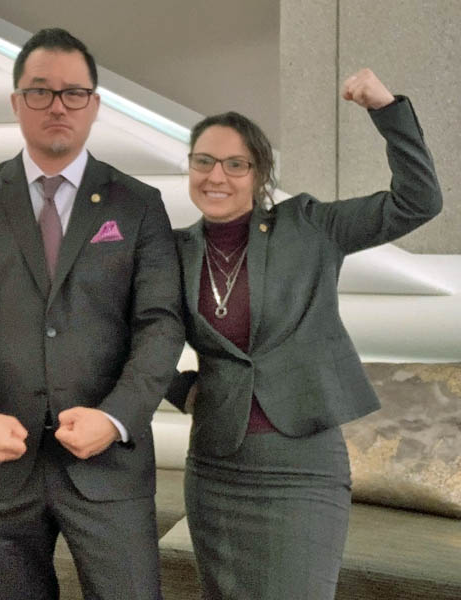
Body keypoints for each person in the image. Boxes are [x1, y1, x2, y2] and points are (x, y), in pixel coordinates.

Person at [0, 28, 184, 600]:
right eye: (39, 91)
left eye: (73, 93)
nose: (57, 106)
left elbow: (161, 325)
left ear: (94, 105)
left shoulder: (138, 204)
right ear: (16, 102)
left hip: (109, 466)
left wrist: (116, 418)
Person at [165, 68, 442, 599]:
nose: (216, 175)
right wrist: (182, 390)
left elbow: (418, 201)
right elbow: (131, 335)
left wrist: (385, 108)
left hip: (304, 467)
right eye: (204, 161)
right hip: (216, 467)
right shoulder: (172, 250)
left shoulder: (310, 226)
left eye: (235, 164)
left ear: (259, 173)